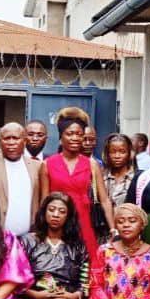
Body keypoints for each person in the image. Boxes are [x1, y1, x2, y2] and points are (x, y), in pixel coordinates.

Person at [40, 107, 114, 267]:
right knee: (57, 267)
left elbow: (105, 200)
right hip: (57, 225)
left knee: (86, 268)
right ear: (61, 137)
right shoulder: (47, 164)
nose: (75, 138)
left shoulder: (91, 164)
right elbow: (44, 201)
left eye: (79, 134)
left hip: (84, 224)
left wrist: (113, 228)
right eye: (70, 134)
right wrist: (41, 230)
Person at [0, 122, 42, 237]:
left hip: (28, 238)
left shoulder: (37, 166)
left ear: (24, 141)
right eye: (6, 138)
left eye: (15, 138)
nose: (11, 143)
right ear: (0, 142)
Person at [101, 133, 136, 208]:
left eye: (122, 152)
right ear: (107, 154)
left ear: (130, 153)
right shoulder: (101, 176)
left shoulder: (137, 177)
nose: (117, 156)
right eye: (113, 152)